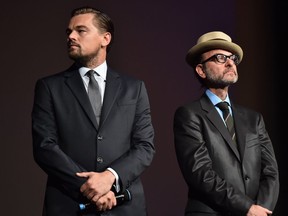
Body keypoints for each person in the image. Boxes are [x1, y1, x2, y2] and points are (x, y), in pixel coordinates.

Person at [32, 6, 155, 216]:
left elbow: (145, 147)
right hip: (69, 204)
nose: (71, 36)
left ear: (105, 39)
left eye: (81, 30)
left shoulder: (134, 88)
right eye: (69, 32)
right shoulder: (49, 87)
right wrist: (91, 187)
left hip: (124, 206)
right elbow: (45, 147)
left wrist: (110, 178)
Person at [173, 31, 279, 216]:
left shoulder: (254, 119)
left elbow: (270, 172)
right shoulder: (189, 115)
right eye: (220, 58)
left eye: (232, 58)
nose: (230, 63)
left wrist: (260, 210)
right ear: (201, 69)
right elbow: (201, 174)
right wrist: (246, 208)